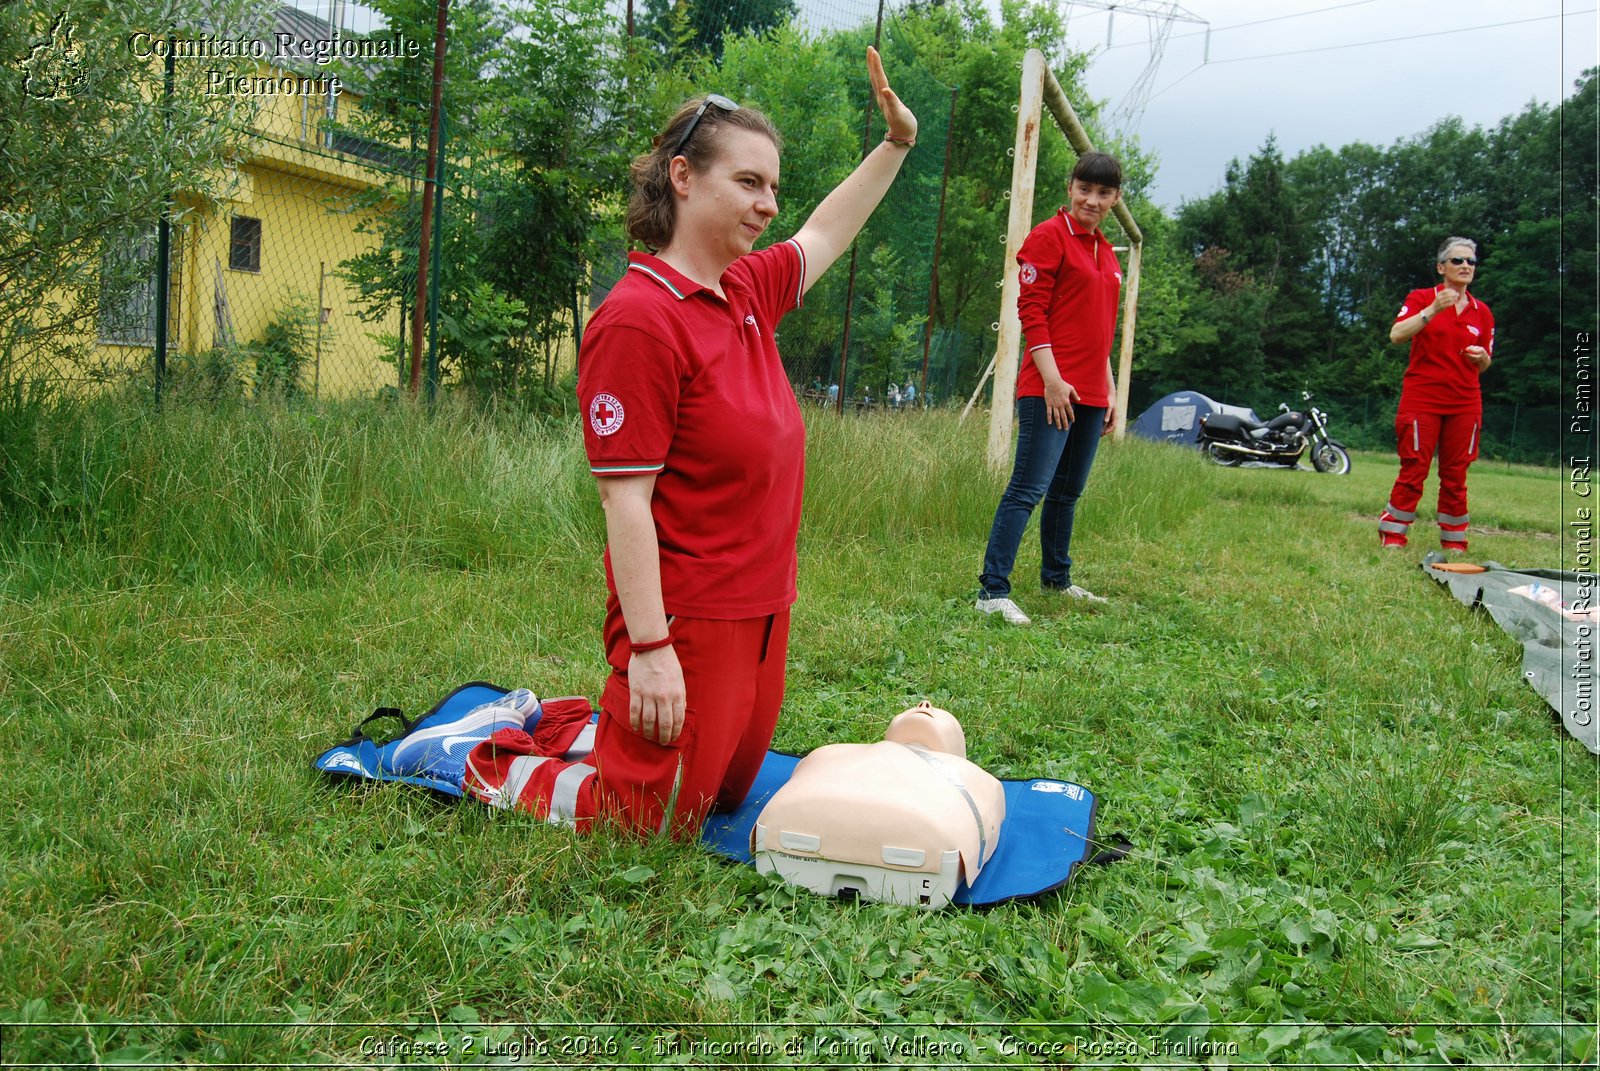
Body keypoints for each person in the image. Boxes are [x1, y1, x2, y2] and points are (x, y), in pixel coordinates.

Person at [493, 50, 917, 837]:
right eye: (748, 183)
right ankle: (483, 753)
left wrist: (894, 145)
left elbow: (828, 228)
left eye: (774, 187)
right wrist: (652, 648)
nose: (768, 205)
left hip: (763, 610)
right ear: (683, 178)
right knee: (644, 819)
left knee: (723, 795)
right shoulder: (637, 319)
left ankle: (582, 726)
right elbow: (626, 501)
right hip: (686, 619)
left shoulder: (747, 288)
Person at [975, 152, 1125, 626]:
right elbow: (1032, 312)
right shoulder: (1048, 237)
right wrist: (1053, 380)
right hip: (1049, 388)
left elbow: (1100, 331)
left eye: (1103, 193)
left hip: (1090, 394)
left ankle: (1057, 578)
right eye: (1085, 189)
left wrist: (1111, 390)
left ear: (1115, 199)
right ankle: (992, 591)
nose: (1092, 200)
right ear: (1070, 187)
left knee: (1067, 493)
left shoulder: (1106, 252)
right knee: (1028, 488)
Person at [1378, 237, 1494, 551]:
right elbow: (1397, 335)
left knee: (1456, 474)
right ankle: (1393, 535)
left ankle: (1454, 542)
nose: (1466, 266)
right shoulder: (1421, 298)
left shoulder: (1481, 312)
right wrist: (1432, 310)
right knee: (1414, 466)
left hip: (1465, 401)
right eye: (1458, 261)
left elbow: (1485, 361)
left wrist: (1482, 358)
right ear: (1441, 267)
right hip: (1422, 399)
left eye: (1471, 261)